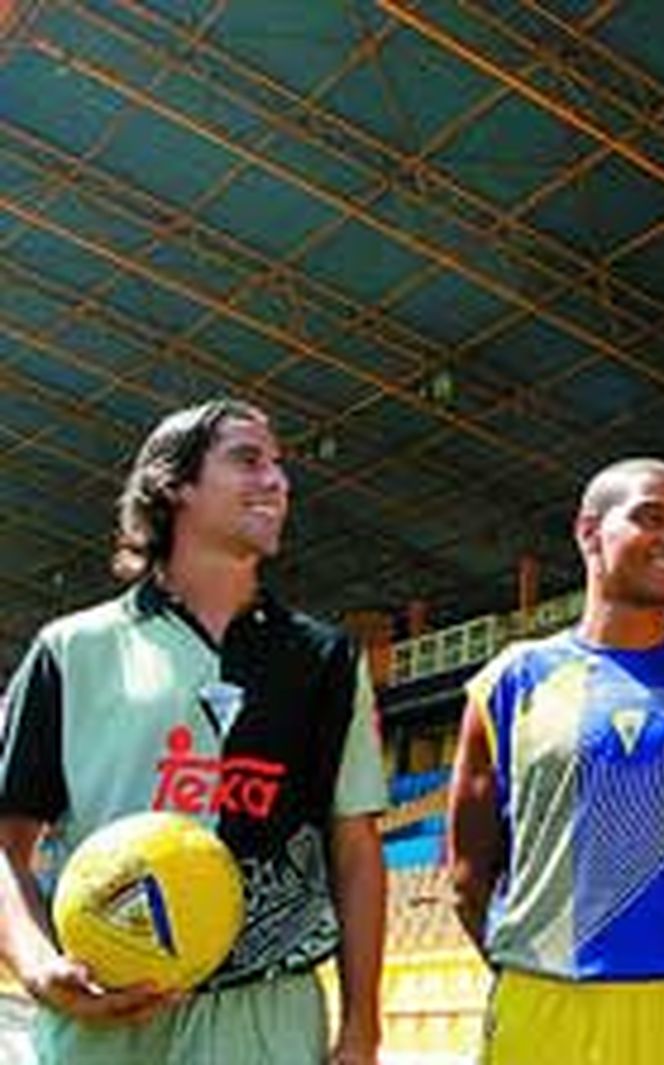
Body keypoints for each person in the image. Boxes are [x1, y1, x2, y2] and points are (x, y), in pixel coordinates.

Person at [0, 398, 388, 1065]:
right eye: (247, 459)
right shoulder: (71, 648)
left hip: (269, 1014)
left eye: (279, 465)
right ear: (174, 484)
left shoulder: (326, 659)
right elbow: (6, 842)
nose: (277, 481)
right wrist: (36, 962)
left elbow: (354, 849)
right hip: (106, 1011)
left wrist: (362, 1029)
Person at [448, 456, 664, 1065]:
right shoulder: (506, 684)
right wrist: (536, 962)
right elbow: (470, 875)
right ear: (588, 531)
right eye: (653, 518)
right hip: (544, 1004)